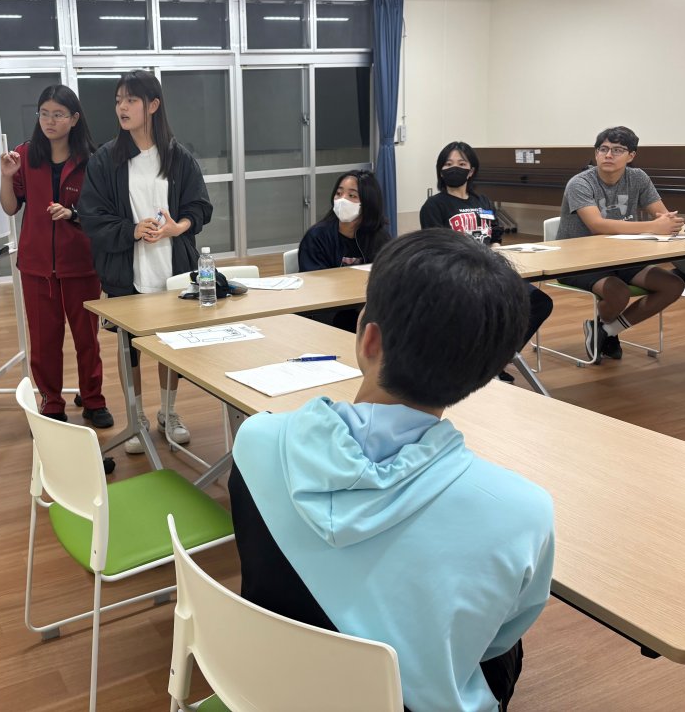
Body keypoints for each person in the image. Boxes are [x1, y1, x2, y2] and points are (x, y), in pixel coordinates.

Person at [229, 228, 555, 712]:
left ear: (368, 339)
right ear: (487, 372)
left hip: (271, 686)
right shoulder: (525, 513)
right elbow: (498, 639)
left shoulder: (257, 439)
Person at [78, 70, 212, 454]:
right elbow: (91, 216)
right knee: (129, 349)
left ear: (152, 105)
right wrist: (132, 230)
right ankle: (135, 420)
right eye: (118, 100)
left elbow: (199, 208)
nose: (122, 107)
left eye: (131, 100)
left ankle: (168, 412)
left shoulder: (178, 157)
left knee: (170, 345)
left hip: (173, 271)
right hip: (126, 273)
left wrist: (177, 227)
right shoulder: (105, 160)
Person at [0, 85, 112, 428]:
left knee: (86, 338)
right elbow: (10, 207)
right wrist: (6, 178)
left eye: (58, 114)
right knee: (44, 340)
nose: (49, 121)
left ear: (74, 119)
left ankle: (93, 399)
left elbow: (101, 212)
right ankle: (51, 401)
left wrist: (73, 214)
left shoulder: (92, 159)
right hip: (36, 266)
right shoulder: (24, 155)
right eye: (44, 114)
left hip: (80, 264)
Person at [420, 141, 553, 382]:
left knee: (539, 302)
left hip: (491, 270)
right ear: (440, 170)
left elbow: (495, 235)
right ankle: (479, 365)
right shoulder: (434, 206)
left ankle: (495, 361)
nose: (454, 168)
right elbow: (436, 247)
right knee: (483, 308)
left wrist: (496, 250)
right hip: (457, 274)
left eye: (461, 164)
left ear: (471, 171)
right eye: (448, 164)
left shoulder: (482, 201)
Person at [556, 126, 685, 363]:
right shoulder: (580, 183)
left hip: (623, 256)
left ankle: (606, 330)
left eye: (617, 150)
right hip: (578, 260)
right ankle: (606, 329)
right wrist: (654, 227)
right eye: (603, 149)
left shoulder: (638, 178)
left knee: (672, 285)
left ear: (631, 155)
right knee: (618, 292)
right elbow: (597, 225)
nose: (608, 155)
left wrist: (669, 222)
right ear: (596, 153)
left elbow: (662, 217)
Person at [297, 170, 391, 332]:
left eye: (352, 196)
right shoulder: (317, 236)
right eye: (339, 194)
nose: (342, 200)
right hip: (330, 311)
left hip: (366, 306)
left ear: (368, 202)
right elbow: (315, 284)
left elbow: (387, 276)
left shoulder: (379, 237)